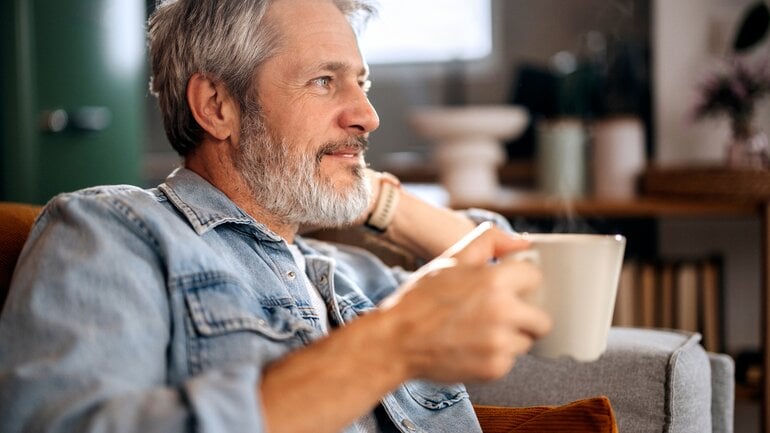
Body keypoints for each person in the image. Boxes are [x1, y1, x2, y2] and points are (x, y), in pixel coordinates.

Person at [0, 0, 552, 432]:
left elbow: (544, 289)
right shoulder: (114, 232)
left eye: (362, 83)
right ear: (217, 106)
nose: (368, 116)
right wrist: (392, 343)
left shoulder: (359, 277)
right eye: (323, 81)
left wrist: (379, 201)